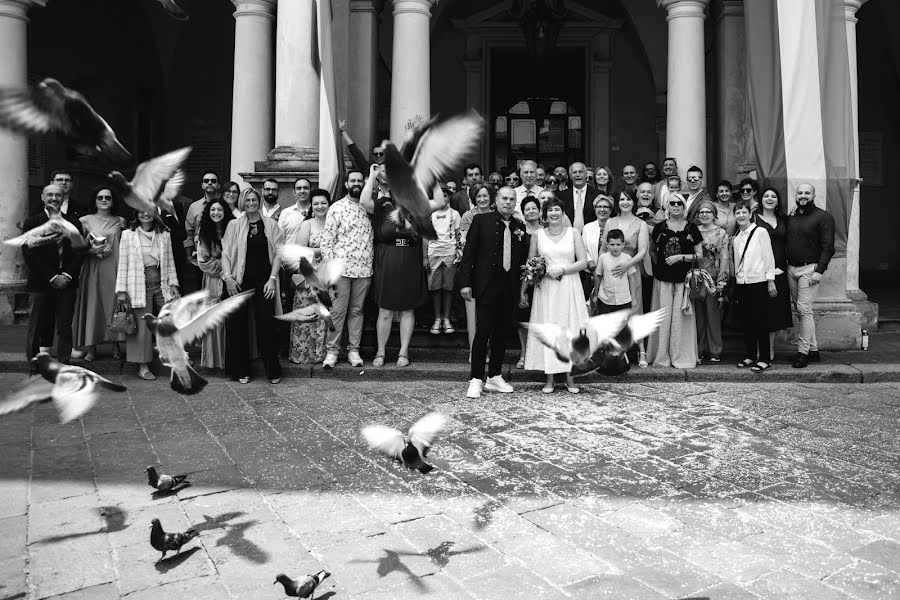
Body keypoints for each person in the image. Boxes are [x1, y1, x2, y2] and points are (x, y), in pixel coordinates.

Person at [459, 186, 528, 399]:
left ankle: (495, 375)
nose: (507, 202)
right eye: (504, 198)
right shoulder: (481, 221)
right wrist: (465, 283)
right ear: (496, 200)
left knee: (502, 332)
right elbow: (468, 254)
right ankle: (476, 378)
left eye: (511, 199)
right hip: (487, 284)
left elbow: (521, 260)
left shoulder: (519, 226)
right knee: (483, 331)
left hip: (509, 286)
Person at [363, 164, 428, 367]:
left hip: (411, 256)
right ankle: (381, 353)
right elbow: (364, 202)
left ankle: (403, 352)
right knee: (385, 309)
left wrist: (425, 258)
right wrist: (373, 175)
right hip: (388, 256)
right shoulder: (382, 204)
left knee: (408, 309)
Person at [524, 197, 590, 393]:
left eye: (557, 210)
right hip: (546, 288)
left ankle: (570, 378)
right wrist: (539, 271)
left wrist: (562, 270)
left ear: (563, 213)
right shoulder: (538, 235)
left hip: (569, 285)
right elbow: (531, 263)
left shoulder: (574, 233)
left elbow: (583, 262)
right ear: (545, 215)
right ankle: (549, 379)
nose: (554, 213)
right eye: (550, 210)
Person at [221, 188, 284, 384]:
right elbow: (225, 253)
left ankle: (272, 371)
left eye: (254, 199)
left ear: (259, 200)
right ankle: (241, 370)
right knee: (237, 328)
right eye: (247, 200)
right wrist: (228, 278)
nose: (250, 203)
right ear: (242, 202)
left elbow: (278, 254)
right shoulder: (234, 224)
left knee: (266, 326)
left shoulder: (271, 225)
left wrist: (272, 279)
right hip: (239, 282)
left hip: (264, 282)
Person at [115, 209, 180, 380]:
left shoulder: (164, 234)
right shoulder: (128, 235)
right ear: (136, 214)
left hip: (160, 282)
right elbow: (122, 263)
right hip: (138, 283)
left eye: (149, 211)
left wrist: (173, 284)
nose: (145, 214)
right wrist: (121, 290)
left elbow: (171, 261)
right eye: (141, 211)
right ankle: (143, 366)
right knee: (142, 328)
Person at [23, 184, 85, 363]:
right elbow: (29, 254)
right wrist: (52, 277)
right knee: (36, 327)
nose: (54, 198)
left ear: (63, 197)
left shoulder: (73, 223)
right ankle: (34, 366)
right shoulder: (32, 223)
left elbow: (78, 253)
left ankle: (64, 364)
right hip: (40, 283)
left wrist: (66, 276)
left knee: (65, 327)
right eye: (49, 194)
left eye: (58, 195)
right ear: (43, 197)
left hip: (67, 282)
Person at [319, 170, 374, 368]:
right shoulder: (337, 208)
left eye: (360, 181)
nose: (357, 184)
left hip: (364, 269)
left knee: (357, 311)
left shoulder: (370, 207)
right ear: (346, 183)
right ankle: (332, 352)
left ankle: (354, 351)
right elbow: (327, 240)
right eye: (353, 181)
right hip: (341, 270)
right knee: (338, 312)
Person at [647, 194, 703, 368]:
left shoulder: (692, 228)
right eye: (673, 203)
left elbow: (699, 256)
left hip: (684, 281)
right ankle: (661, 356)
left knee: (681, 320)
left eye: (680, 203)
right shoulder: (660, 228)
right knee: (663, 319)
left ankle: (681, 355)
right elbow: (652, 251)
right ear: (667, 206)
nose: (676, 205)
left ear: (684, 207)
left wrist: (680, 258)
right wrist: (661, 268)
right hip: (663, 280)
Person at [73, 186, 126, 362]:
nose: (104, 200)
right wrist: (91, 249)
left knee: (113, 306)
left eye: (108, 198)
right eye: (100, 197)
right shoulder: (84, 221)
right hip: (93, 268)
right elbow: (77, 247)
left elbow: (126, 246)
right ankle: (91, 347)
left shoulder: (121, 221)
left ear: (113, 201)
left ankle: (116, 344)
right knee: (94, 306)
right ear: (94, 201)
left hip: (114, 268)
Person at [786, 183, 835, 368]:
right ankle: (813, 351)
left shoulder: (823, 217)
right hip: (791, 269)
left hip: (810, 270)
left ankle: (802, 353)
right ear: (796, 195)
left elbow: (828, 247)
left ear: (813, 195)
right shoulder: (792, 216)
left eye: (807, 192)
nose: (803, 195)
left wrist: (819, 271)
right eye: (800, 193)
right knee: (802, 311)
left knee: (804, 310)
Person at [601, 190, 651, 365]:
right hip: (611, 272)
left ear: (634, 202)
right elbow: (603, 249)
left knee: (635, 310)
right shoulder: (610, 222)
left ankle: (641, 351)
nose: (625, 202)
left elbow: (643, 250)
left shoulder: (641, 224)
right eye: (622, 199)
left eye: (628, 199)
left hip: (631, 271)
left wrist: (626, 265)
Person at [732, 201, 777, 372]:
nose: (741, 216)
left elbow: (768, 256)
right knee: (747, 321)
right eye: (738, 213)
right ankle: (750, 355)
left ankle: (765, 358)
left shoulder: (760, 232)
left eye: (744, 212)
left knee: (760, 321)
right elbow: (737, 263)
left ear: (750, 214)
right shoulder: (736, 239)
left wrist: (770, 280)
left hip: (758, 282)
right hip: (742, 283)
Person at [288, 188, 332, 365]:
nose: (320, 206)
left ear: (329, 204)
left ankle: (326, 352)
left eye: (323, 203)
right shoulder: (307, 225)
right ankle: (305, 354)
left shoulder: (334, 222)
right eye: (316, 203)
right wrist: (322, 250)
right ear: (311, 206)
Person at [754, 187, 793, 363]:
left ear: (778, 201)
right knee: (760, 311)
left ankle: (769, 349)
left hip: (780, 271)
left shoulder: (784, 219)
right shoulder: (754, 218)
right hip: (759, 270)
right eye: (766, 196)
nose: (770, 199)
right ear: (760, 199)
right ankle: (758, 349)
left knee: (774, 312)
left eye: (774, 196)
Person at [195, 198, 235, 369]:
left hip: (234, 278)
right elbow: (203, 262)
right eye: (212, 210)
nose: (216, 213)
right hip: (213, 281)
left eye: (219, 210)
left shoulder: (234, 229)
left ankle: (233, 358)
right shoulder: (204, 234)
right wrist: (224, 269)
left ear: (225, 212)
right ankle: (216, 361)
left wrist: (231, 272)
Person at [460, 184, 495, 361]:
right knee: (472, 314)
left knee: (487, 313)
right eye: (479, 196)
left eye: (485, 196)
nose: (482, 199)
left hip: (491, 270)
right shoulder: (468, 216)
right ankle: (475, 350)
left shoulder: (496, 215)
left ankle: (487, 348)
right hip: (472, 269)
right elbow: (464, 244)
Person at [693, 199, 730, 363]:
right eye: (701, 212)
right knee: (698, 316)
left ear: (714, 214)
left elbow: (724, 257)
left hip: (714, 279)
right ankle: (699, 349)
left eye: (708, 212)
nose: (704, 214)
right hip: (696, 278)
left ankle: (715, 349)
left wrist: (722, 279)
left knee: (713, 315)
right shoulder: (693, 231)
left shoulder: (721, 233)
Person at [425, 186, 461, 336]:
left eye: (445, 196)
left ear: (449, 197)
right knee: (434, 288)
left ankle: (446, 319)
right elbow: (425, 237)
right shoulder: (430, 214)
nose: (443, 199)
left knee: (448, 288)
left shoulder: (455, 214)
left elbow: (459, 235)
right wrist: (424, 257)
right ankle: (437, 318)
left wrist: (459, 251)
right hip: (433, 253)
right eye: (439, 196)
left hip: (450, 252)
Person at [515, 196, 543, 369]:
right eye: (527, 209)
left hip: (542, 281)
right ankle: (524, 353)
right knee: (523, 318)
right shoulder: (518, 231)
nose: (531, 211)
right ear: (523, 213)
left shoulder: (546, 231)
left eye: (534, 208)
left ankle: (539, 354)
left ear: (540, 211)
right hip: (522, 279)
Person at [594, 228, 636, 314]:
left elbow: (631, 278)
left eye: (618, 244)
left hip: (624, 300)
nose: (615, 247)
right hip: (606, 300)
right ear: (607, 245)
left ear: (623, 245)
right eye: (612, 244)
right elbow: (598, 276)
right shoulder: (603, 258)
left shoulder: (627, 258)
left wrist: (634, 298)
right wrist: (595, 295)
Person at [559, 162, 598, 232]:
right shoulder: (561, 196)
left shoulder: (597, 194)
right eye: (574, 172)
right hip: (568, 235)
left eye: (580, 172)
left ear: (586, 174)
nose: (577, 175)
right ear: (570, 176)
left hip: (591, 234)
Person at [581, 194, 614, 275]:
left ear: (611, 210)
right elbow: (583, 249)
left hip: (612, 271)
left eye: (605, 207)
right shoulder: (587, 228)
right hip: (590, 270)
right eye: (599, 206)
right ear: (595, 209)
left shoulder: (616, 226)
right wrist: (591, 264)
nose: (602, 209)